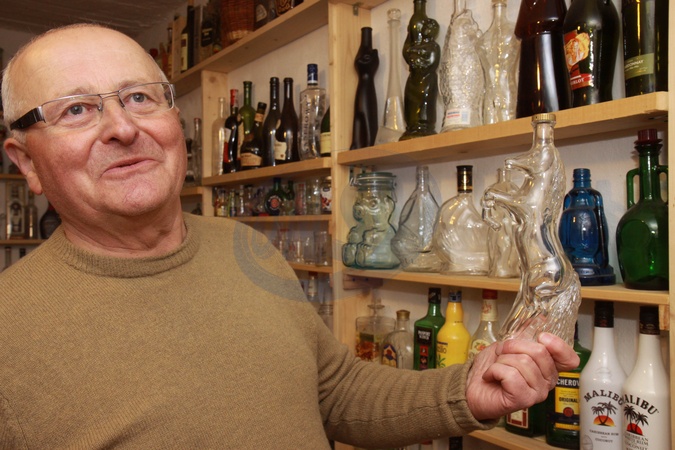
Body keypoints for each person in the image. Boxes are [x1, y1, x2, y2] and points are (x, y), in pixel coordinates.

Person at [0, 24, 579, 449]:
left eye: (139, 97)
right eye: (75, 110)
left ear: (172, 120)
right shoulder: (11, 328)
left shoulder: (245, 248)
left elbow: (335, 392)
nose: (123, 128)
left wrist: (466, 391)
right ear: (25, 161)